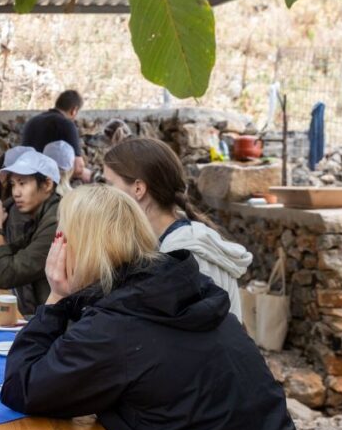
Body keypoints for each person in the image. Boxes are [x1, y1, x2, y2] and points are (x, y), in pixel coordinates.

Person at [0, 184, 320, 430]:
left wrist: (56, 298)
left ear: (80, 245)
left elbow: (23, 386)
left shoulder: (117, 325)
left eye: (63, 237)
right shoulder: (190, 292)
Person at [102, 137, 251, 320]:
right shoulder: (161, 242)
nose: (104, 195)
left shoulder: (184, 257)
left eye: (110, 185)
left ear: (138, 189)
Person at [0, 150, 60, 316]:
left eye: (22, 183)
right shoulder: (39, 214)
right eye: (13, 184)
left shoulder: (57, 221)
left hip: (57, 321)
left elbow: (3, 275)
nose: (16, 192)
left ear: (47, 184)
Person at [20, 90, 89, 182]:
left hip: (27, 179)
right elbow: (77, 169)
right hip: (51, 183)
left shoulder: (31, 121)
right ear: (74, 110)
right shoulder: (66, 124)